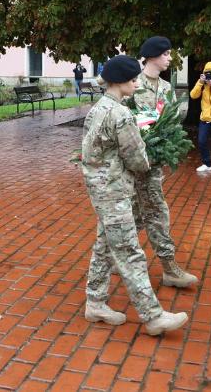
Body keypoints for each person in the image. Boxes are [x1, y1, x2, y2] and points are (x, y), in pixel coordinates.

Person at [81, 55, 188, 336]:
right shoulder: (121, 114)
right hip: (114, 192)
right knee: (129, 252)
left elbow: (89, 154)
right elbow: (138, 160)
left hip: (100, 188)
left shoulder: (97, 109)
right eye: (132, 79)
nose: (136, 82)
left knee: (105, 246)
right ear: (120, 82)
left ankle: (95, 302)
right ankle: (153, 316)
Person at [126, 36, 198, 288]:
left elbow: (170, 121)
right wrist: (149, 121)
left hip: (154, 163)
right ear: (153, 55)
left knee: (135, 214)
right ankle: (169, 269)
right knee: (155, 212)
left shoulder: (167, 87)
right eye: (166, 54)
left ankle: (111, 256)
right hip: (132, 162)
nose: (170, 58)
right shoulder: (133, 83)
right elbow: (124, 119)